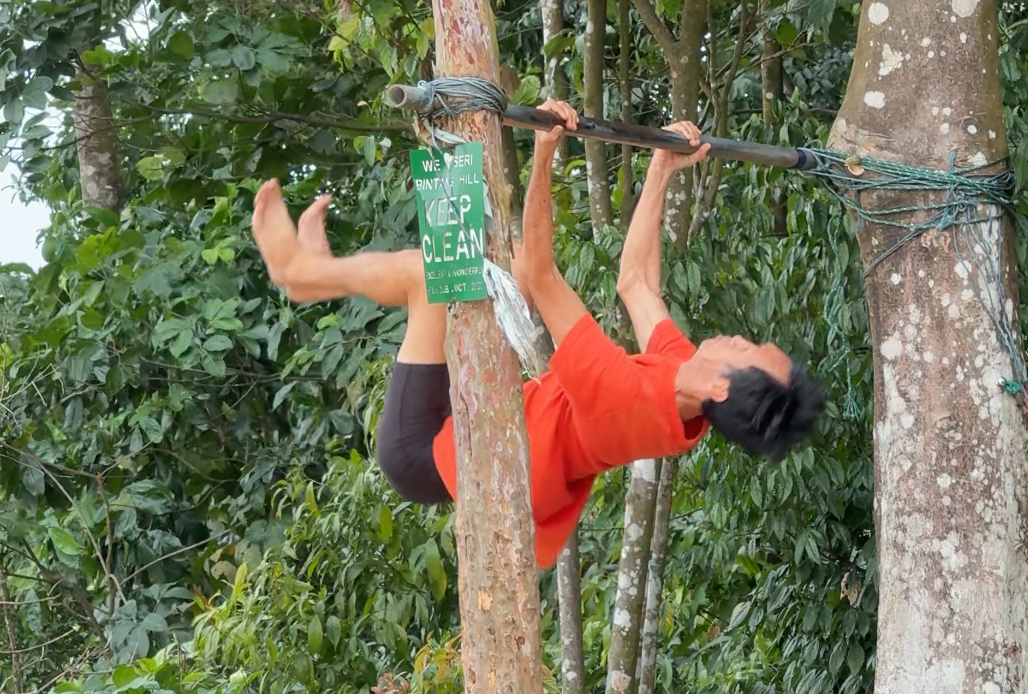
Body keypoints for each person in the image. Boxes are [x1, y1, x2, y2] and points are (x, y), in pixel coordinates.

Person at [251, 102, 824, 568]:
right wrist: (660, 172)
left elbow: (541, 274)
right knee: (498, 265)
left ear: (725, 387)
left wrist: (545, 151)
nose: (735, 338)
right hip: (490, 417)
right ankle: (321, 272)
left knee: (441, 275)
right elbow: (636, 283)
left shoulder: (621, 395)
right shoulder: (683, 394)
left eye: (746, 350)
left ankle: (302, 275)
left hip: (430, 451)